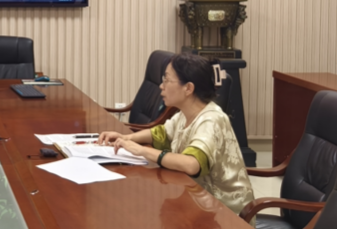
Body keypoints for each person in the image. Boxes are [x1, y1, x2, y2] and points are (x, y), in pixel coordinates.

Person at [97, 52, 255, 215]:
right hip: (198, 200)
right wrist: (126, 138)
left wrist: (142, 150)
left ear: (188, 88)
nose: (161, 86)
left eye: (167, 80)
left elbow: (191, 164)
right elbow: (161, 133)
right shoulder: (185, 113)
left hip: (224, 213)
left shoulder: (211, 120)